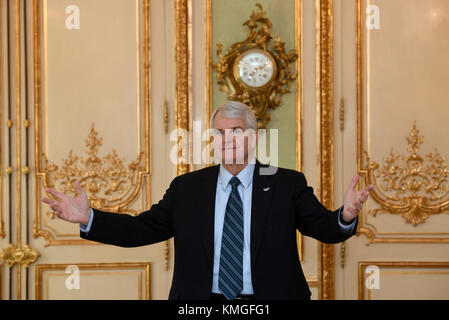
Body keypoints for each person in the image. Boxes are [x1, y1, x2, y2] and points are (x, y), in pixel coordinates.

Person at [42, 101, 373, 300]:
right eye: (218, 133)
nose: (226, 140)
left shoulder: (286, 182)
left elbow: (323, 228)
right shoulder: (188, 188)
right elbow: (141, 230)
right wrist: (89, 218)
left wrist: (345, 214)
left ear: (253, 137)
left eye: (235, 131)